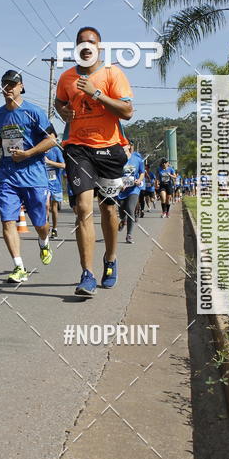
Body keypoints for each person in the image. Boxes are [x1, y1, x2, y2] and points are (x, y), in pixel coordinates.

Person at [55, 26, 133, 296]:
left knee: (109, 210)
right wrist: (63, 110)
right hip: (78, 148)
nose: (86, 46)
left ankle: (110, 260)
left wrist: (96, 93)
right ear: (75, 47)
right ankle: (86, 274)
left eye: (91, 42)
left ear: (99, 47)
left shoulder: (112, 73)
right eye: (81, 43)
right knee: (83, 209)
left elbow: (127, 111)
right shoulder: (66, 77)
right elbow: (59, 102)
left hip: (109, 149)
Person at [0, 70, 56, 283]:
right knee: (7, 221)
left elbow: (52, 140)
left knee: (39, 223)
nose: (8, 88)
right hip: (7, 175)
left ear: (21, 87)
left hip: (33, 175)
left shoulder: (34, 112)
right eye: (4, 84)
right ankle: (19, 267)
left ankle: (44, 241)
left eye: (12, 84)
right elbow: (2, 139)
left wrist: (28, 153)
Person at [117, 141, 145, 244]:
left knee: (130, 210)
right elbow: (115, 174)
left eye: (124, 144)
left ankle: (129, 235)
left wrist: (139, 180)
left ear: (128, 146)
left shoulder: (137, 159)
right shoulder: (118, 160)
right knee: (121, 212)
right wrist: (120, 184)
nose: (122, 146)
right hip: (121, 190)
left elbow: (142, 172)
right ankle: (123, 221)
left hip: (133, 189)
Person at [45, 140, 66, 238]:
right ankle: (46, 227)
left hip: (55, 184)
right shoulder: (39, 150)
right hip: (43, 183)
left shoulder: (56, 150)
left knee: (54, 208)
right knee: (45, 206)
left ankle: (55, 229)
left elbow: (63, 165)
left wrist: (49, 162)